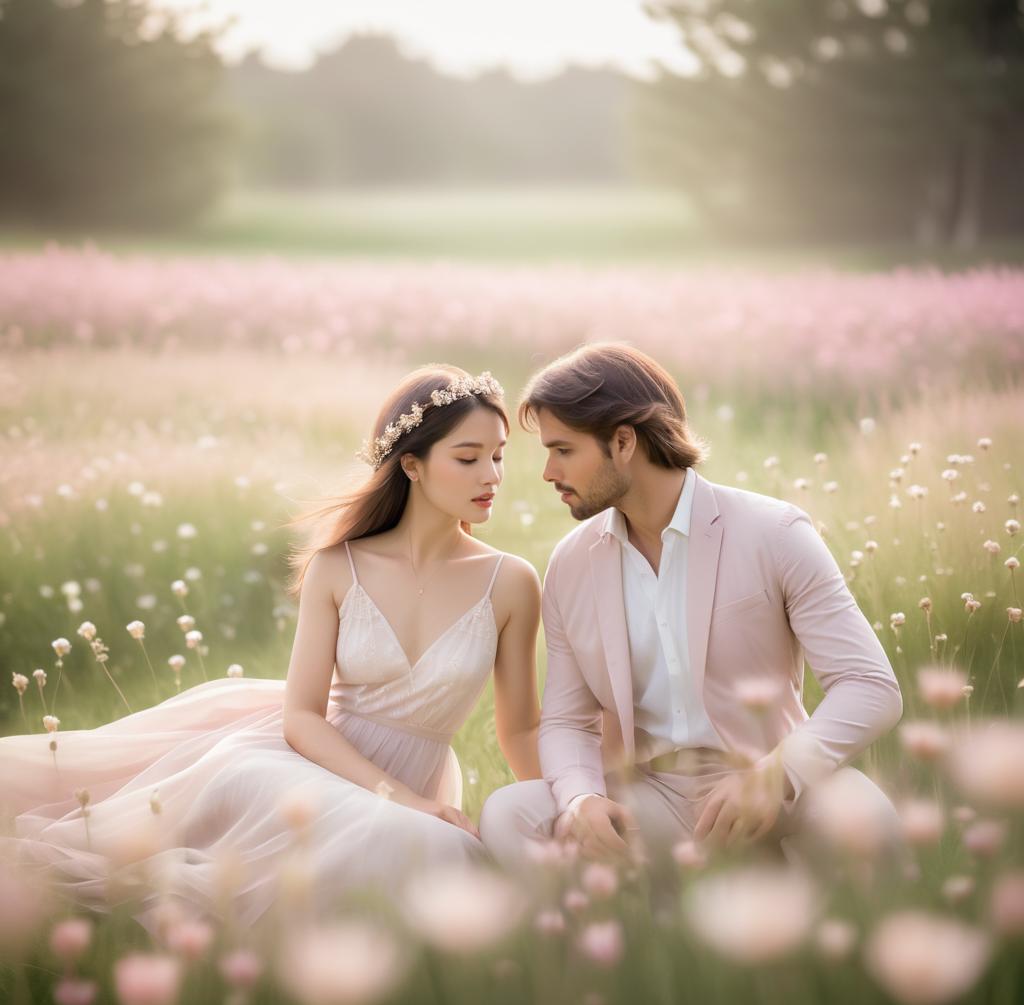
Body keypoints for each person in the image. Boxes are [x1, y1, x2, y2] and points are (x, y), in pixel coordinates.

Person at [0, 365, 542, 926]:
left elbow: (520, 728)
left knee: (444, 856)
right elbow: (302, 719)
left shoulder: (511, 582)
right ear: (412, 465)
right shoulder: (339, 567)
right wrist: (406, 802)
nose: (493, 475)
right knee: (243, 825)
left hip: (417, 779)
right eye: (469, 457)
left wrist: (566, 805)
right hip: (309, 762)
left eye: (499, 455)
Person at [480, 342, 904, 872]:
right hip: (650, 797)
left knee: (867, 817)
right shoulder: (571, 563)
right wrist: (581, 799)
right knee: (509, 814)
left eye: (563, 450)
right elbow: (568, 721)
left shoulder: (775, 532)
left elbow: (871, 687)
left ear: (623, 441)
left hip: (781, 787)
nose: (548, 471)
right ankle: (612, 944)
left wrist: (776, 778)